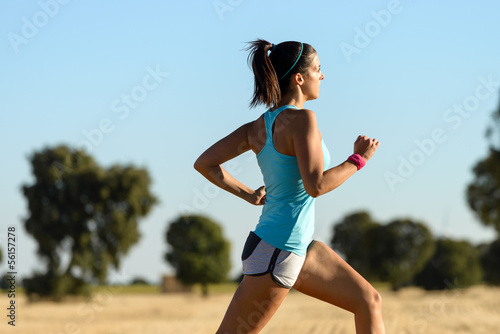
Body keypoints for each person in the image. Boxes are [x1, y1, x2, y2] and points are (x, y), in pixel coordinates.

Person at [194, 39, 384, 334]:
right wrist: (358, 159)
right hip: (277, 251)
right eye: (318, 69)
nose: (322, 76)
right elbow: (316, 185)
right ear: (299, 78)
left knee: (368, 300)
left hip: (298, 247)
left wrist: (249, 195)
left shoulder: (256, 127)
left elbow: (205, 163)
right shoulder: (303, 120)